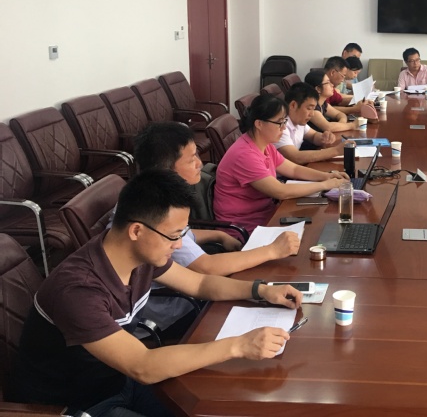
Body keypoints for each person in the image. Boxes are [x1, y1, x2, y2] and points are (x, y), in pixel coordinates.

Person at [8, 170, 303, 416]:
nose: (179, 245)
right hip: (78, 403)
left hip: (119, 379)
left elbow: (200, 284)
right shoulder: (78, 290)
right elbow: (143, 366)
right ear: (137, 231)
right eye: (174, 236)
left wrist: (261, 290)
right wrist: (239, 346)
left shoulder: (139, 255)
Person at [131, 123, 301, 332]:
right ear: (167, 170)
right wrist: (272, 251)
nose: (200, 164)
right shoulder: (154, 217)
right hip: (176, 314)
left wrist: (218, 235)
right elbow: (205, 268)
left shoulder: (151, 198)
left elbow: (188, 248)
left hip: (193, 292)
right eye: (191, 159)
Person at [214, 94, 348, 234]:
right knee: (317, 231)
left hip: (267, 214)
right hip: (246, 228)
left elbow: (294, 169)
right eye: (279, 123)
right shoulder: (245, 155)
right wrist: (325, 185)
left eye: (285, 121)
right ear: (259, 124)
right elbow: (281, 192)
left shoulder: (265, 145)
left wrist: (326, 176)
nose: (284, 128)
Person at [276, 82, 344, 165]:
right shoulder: (280, 126)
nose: (312, 114)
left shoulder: (298, 121)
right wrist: (336, 151)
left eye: (313, 109)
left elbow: (313, 136)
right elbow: (295, 157)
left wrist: (324, 137)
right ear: (293, 105)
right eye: (309, 108)